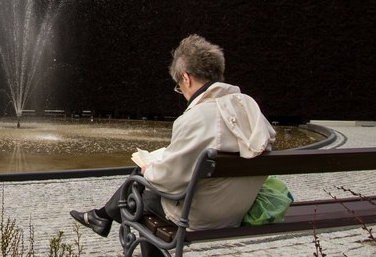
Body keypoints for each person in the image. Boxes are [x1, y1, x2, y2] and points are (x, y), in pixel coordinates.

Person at [69, 35, 275, 251]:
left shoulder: (196, 117)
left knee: (137, 195)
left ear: (186, 78)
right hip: (238, 207)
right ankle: (100, 216)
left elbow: (168, 181)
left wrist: (149, 169)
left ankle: (102, 216)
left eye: (179, 86)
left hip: (200, 215)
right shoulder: (250, 108)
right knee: (141, 184)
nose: (182, 92)